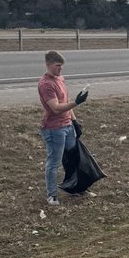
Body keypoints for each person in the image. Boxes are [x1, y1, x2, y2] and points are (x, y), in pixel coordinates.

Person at [37, 51, 88, 205]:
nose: (60, 69)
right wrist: (77, 103)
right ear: (48, 65)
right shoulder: (46, 84)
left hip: (67, 126)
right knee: (54, 161)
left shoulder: (60, 79)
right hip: (54, 129)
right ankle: (51, 195)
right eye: (57, 66)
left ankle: (75, 187)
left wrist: (74, 120)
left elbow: (65, 100)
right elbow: (56, 108)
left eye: (62, 66)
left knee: (73, 157)